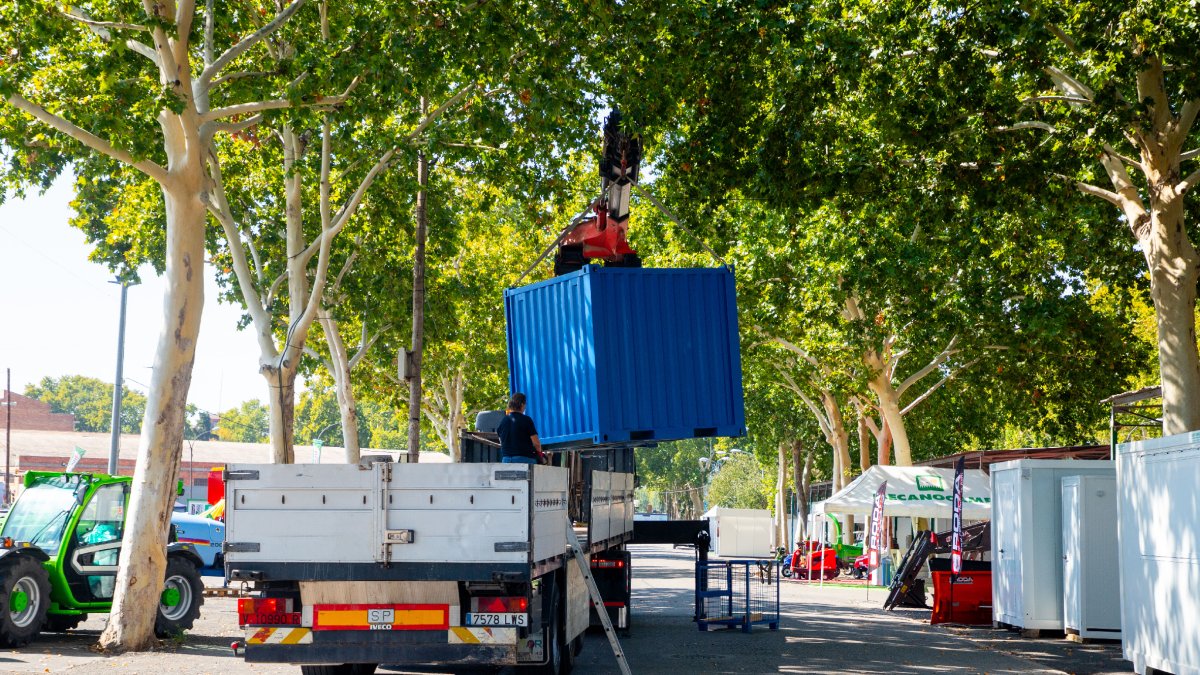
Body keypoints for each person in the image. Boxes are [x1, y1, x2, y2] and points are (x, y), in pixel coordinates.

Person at [497, 393, 545, 465]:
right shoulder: (526, 420)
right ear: (522, 405)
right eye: (525, 404)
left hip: (506, 460)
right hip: (524, 459)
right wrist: (541, 456)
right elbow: (536, 443)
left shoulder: (503, 421)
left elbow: (501, 441)